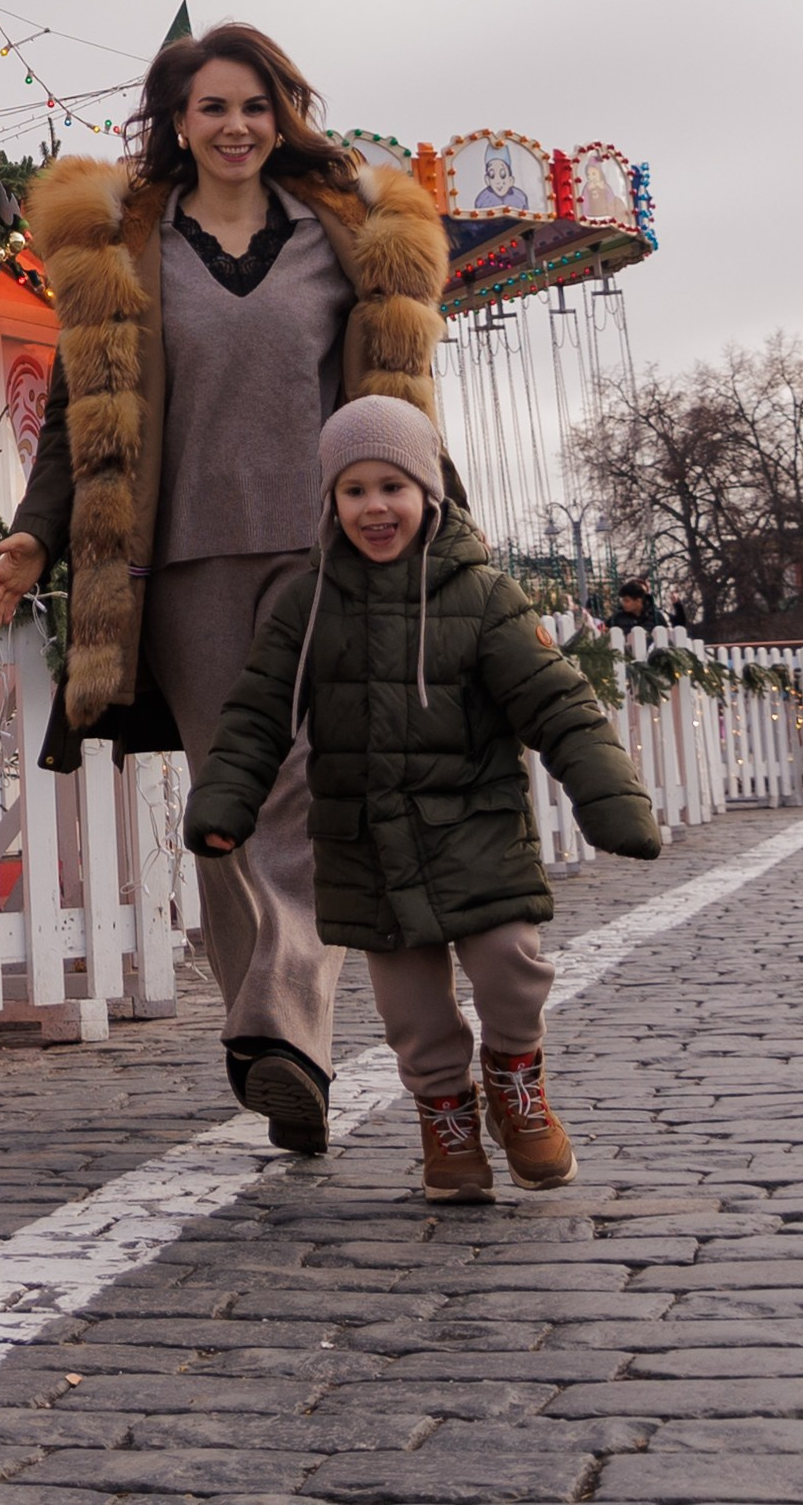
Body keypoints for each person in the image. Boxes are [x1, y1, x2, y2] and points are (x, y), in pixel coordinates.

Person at [0, 20, 452, 1158]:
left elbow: (400, 404)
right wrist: (35, 539)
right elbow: (81, 423)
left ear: (282, 115)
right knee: (224, 809)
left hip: (322, 556)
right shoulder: (126, 248)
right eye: (212, 109)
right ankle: (278, 1051)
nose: (236, 127)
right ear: (176, 124)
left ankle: (280, 1025)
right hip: (175, 564)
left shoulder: (344, 241)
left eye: (255, 107)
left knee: (297, 789)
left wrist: (447, 531)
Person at [184, 397, 661, 1202]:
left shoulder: (483, 597)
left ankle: (515, 1078)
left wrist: (610, 799)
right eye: (355, 490)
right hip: (367, 844)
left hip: (477, 830)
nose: (376, 508)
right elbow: (258, 712)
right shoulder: (308, 607)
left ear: (430, 491)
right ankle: (446, 1117)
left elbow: (559, 704)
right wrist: (226, 803)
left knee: (512, 966)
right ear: (332, 503)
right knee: (412, 1010)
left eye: (393, 487)